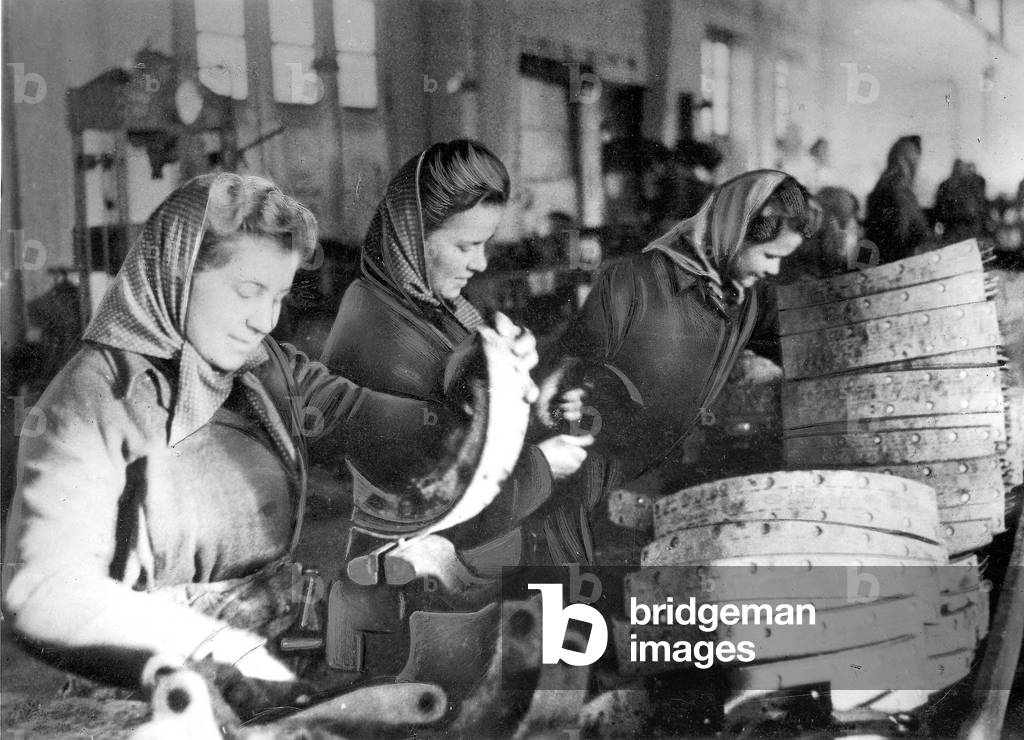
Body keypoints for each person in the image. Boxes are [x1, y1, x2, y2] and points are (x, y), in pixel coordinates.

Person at [1, 173, 536, 692]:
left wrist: (472, 382)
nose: (265, 320)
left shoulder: (262, 371)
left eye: (277, 296)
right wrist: (217, 649)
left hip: (275, 642)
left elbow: (380, 425)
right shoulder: (92, 400)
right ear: (178, 274)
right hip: (164, 683)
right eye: (248, 290)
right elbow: (44, 591)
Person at [321, 139, 602, 569]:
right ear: (411, 241)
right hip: (412, 586)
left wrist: (532, 400)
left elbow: (469, 423)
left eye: (485, 244)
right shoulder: (376, 334)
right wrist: (545, 464)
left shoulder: (440, 308)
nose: (482, 264)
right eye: (465, 247)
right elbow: (441, 506)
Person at [557, 170, 821, 486]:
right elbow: (576, 373)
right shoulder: (635, 285)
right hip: (633, 475)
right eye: (768, 255)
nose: (772, 269)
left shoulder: (740, 291)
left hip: (699, 467)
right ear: (734, 233)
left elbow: (791, 336)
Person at [864, 135, 935, 262]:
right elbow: (901, 237)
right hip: (896, 267)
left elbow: (869, 237)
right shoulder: (899, 193)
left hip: (879, 265)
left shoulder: (880, 189)